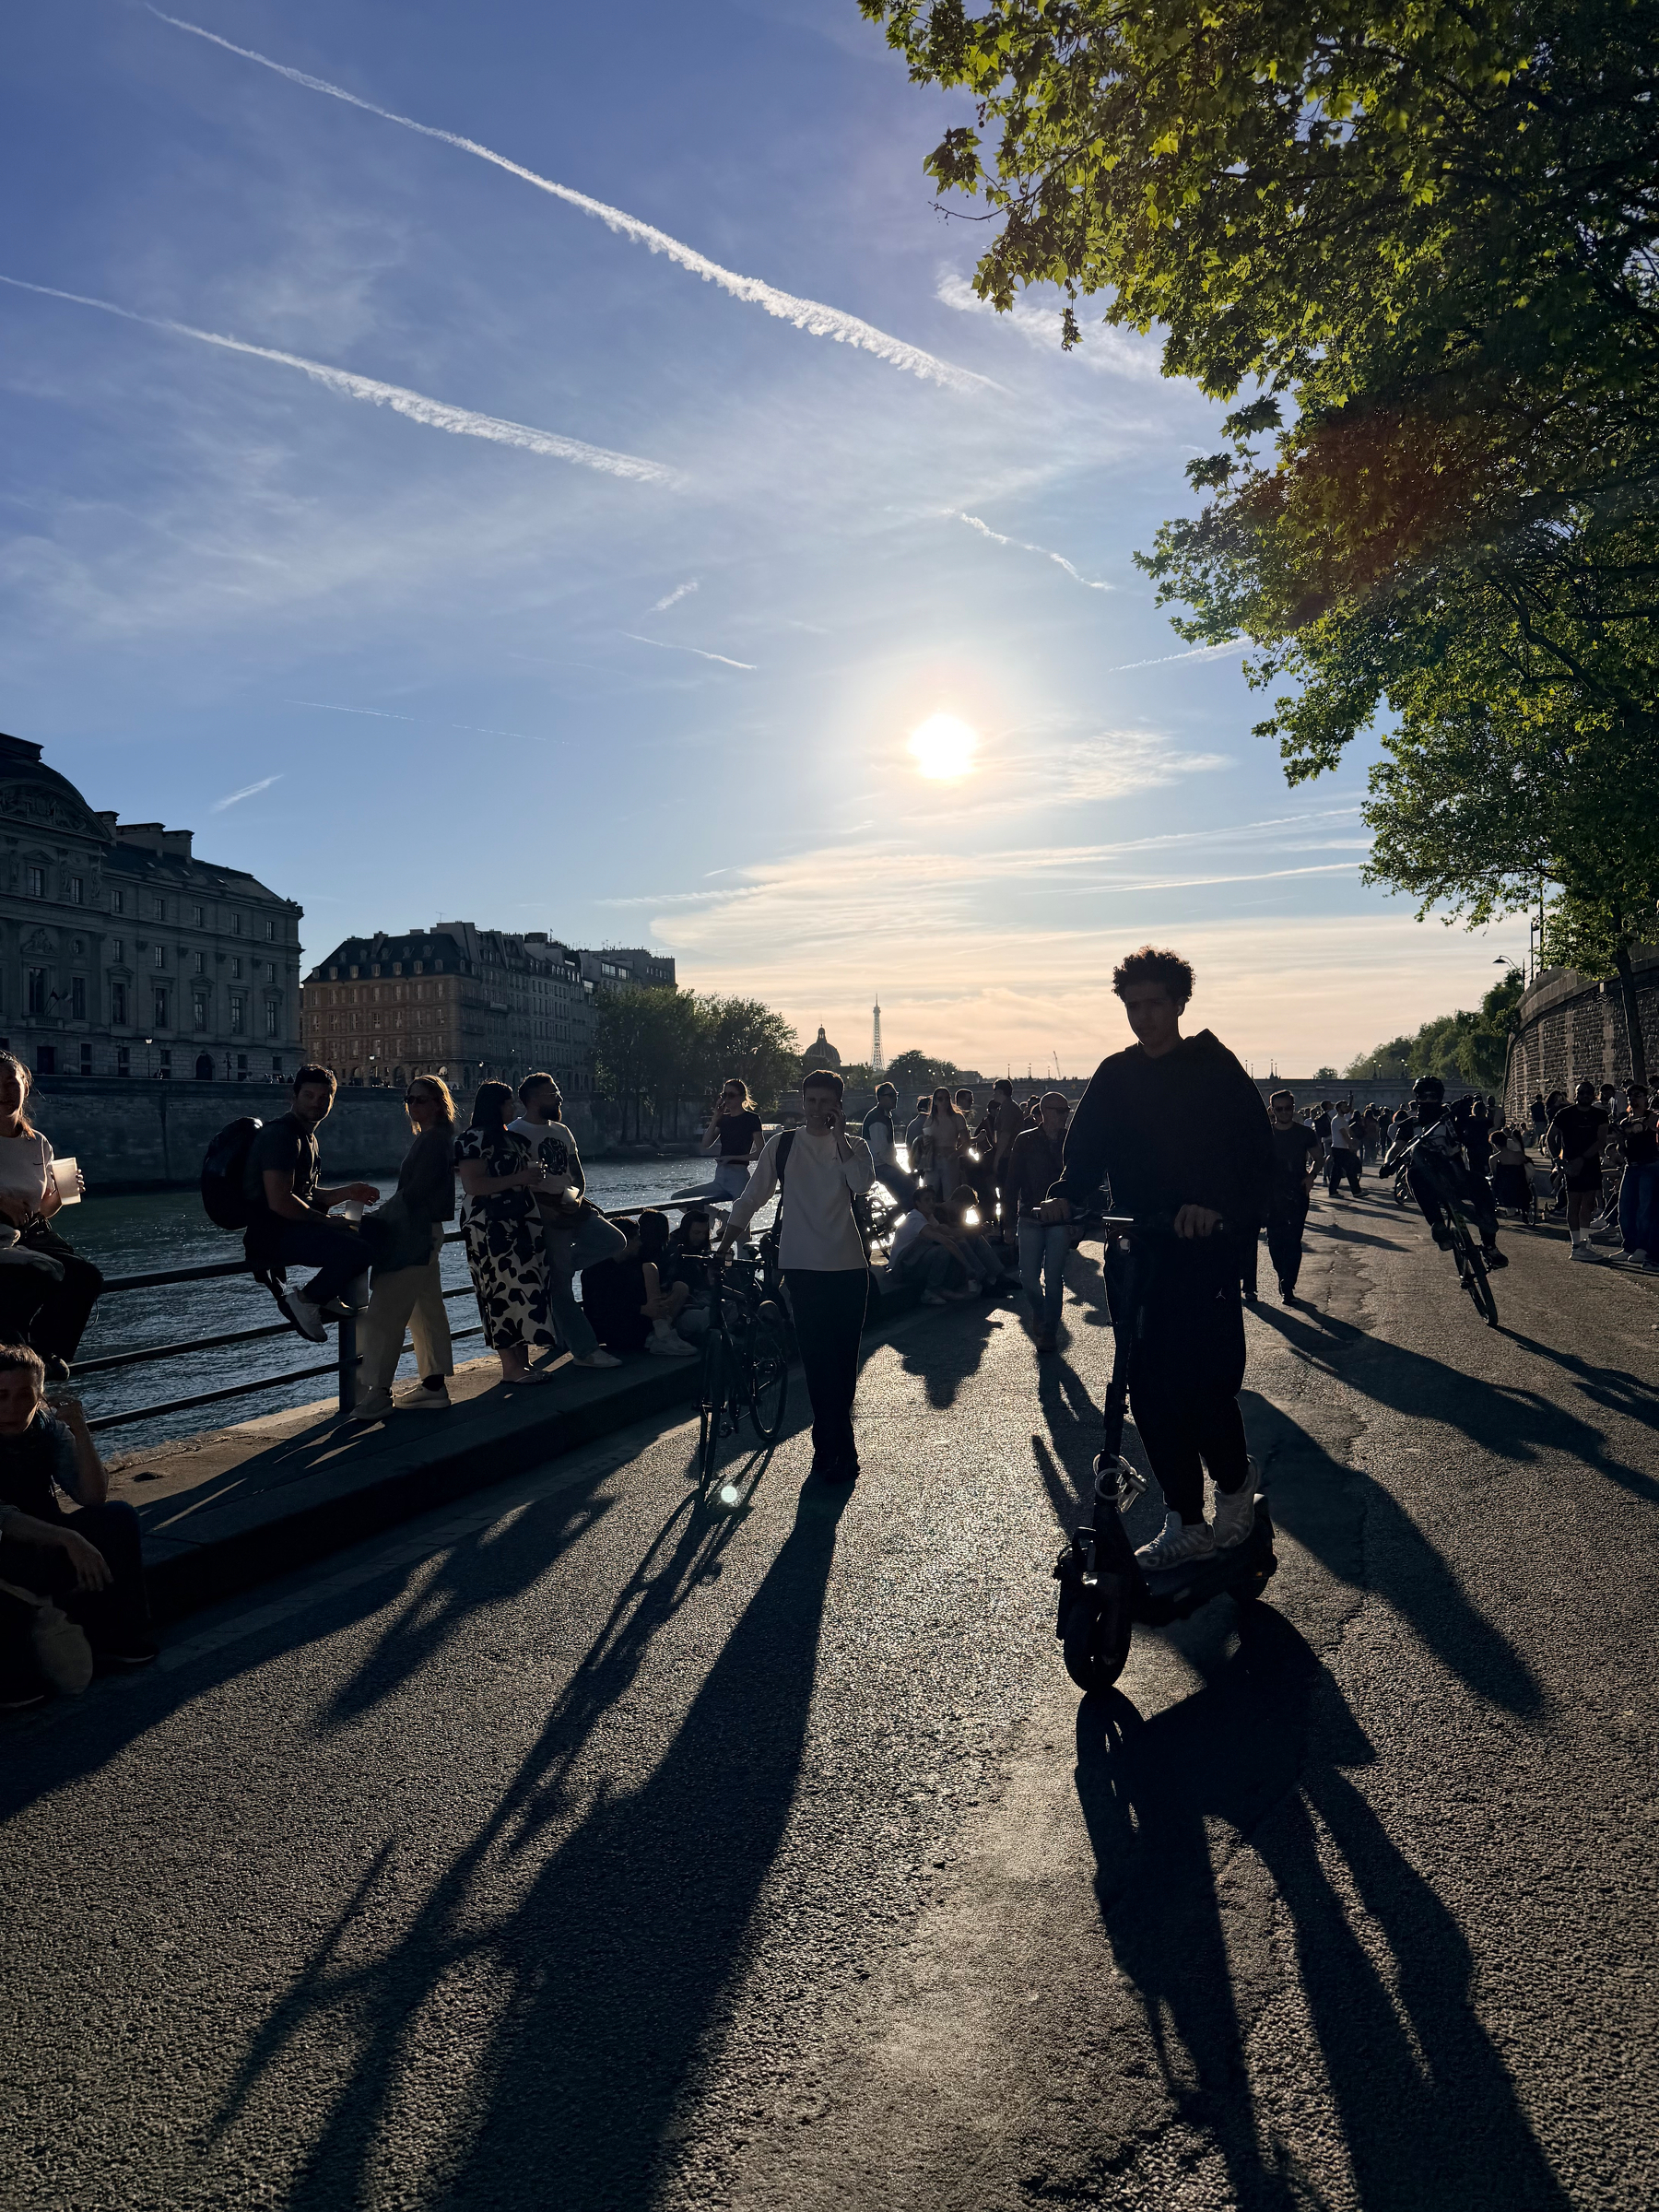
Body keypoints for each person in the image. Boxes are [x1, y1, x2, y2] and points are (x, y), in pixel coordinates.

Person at [1038, 946, 1272, 1570]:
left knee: (1203, 1389)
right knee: (1144, 1391)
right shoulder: (1115, 1076)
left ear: (1178, 1004)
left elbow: (1257, 1162)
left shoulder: (1215, 1070)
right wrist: (1064, 1197)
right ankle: (1186, 1520)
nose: (1142, 1017)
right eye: (1131, 1006)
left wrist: (1215, 1206)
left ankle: (1234, 1482)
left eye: (1153, 1005)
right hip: (1138, 1250)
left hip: (1203, 1252)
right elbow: (1083, 1160)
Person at [718, 1068, 875, 1482]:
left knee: (844, 1364)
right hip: (803, 1267)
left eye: (826, 1103)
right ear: (802, 1102)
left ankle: (836, 1448)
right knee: (819, 1363)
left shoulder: (855, 1145)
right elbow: (752, 1197)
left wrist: (840, 1139)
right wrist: (723, 1244)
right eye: (811, 1101)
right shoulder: (782, 1145)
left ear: (839, 1106)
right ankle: (831, 1451)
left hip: (848, 1268)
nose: (817, 1110)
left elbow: (861, 1184)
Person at [0, 1347, 155, 1705]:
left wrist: (80, 1431)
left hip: (44, 1544)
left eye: (25, 1395)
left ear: (40, 1397)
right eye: (1, 1395)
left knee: (117, 1518)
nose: (11, 1408)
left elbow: (91, 1496)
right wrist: (68, 1538)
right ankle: (13, 1675)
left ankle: (119, 1638)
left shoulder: (46, 1429)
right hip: (8, 1550)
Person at [244, 1065, 381, 1345]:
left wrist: (348, 1192)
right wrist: (331, 1222)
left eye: (323, 1097)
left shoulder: (306, 1137)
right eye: (309, 1095)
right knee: (359, 1251)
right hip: (273, 1234)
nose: (316, 1103)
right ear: (292, 1096)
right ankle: (305, 1299)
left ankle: (326, 1294)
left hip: (292, 1227)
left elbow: (306, 1193)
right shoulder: (281, 1137)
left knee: (376, 1230)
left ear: (332, 1100)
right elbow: (281, 1201)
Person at [350, 1076, 460, 1422]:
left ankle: (378, 1392)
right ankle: (433, 1384)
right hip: (427, 1231)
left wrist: (374, 1219)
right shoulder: (438, 1139)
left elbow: (413, 1194)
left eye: (421, 1100)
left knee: (383, 1313)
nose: (413, 1106)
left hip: (412, 1233)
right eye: (409, 1099)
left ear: (440, 1104)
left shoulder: (431, 1142)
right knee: (426, 1310)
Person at [509, 1074, 628, 1370]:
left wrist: (568, 1204)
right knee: (561, 1290)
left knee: (615, 1241)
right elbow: (515, 1185)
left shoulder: (562, 1131)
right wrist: (548, 1210)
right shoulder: (515, 1133)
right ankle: (586, 1350)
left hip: (570, 1207)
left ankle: (558, 1269)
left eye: (557, 1092)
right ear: (533, 1100)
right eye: (552, 1094)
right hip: (542, 1216)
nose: (559, 1098)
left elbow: (576, 1177)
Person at [0, 1052, 102, 1382]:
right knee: (28, 1283)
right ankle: (20, 1360)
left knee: (86, 1276)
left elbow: (43, 1209)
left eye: (10, 1083)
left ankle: (43, 1354)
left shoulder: (38, 1144)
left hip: (31, 1232)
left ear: (25, 1087)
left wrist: (63, 1194)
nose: (4, 1091)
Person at [454, 1080, 558, 1382]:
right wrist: (520, 1177)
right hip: (491, 1227)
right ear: (495, 1105)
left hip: (521, 1221)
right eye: (508, 1102)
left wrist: (528, 1178)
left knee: (525, 1291)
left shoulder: (512, 1139)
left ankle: (522, 1363)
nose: (513, 1107)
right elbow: (474, 1185)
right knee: (500, 1292)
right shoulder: (472, 1139)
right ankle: (511, 1367)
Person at [1397, 1077, 1510, 1267]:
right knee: (1413, 1174)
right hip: (1427, 1183)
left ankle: (1490, 1245)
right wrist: (1388, 1161)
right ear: (1417, 1098)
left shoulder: (1451, 1119)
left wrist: (1465, 1114)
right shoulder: (1410, 1125)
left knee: (1482, 1185)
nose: (1427, 1100)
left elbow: (1472, 1132)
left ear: (1439, 1097)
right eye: (1423, 1096)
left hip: (1455, 1177)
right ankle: (1438, 1225)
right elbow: (1396, 1146)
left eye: (1432, 1096)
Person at [1006, 1090, 1071, 1351]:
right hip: (1030, 1217)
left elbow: (1082, 1182)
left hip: (1060, 1220)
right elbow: (1012, 1183)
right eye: (1060, 1111)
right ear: (1044, 1113)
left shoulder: (1071, 1141)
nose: (1065, 1116)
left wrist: (1078, 1217)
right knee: (1028, 1279)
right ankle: (1041, 1311)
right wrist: (1008, 1222)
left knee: (1054, 1278)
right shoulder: (1025, 1140)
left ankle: (1049, 1330)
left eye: (1067, 1111)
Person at [1264, 1089, 1323, 1303]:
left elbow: (1318, 1157)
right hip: (1272, 1193)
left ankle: (1289, 1284)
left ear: (1294, 1108)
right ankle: (1282, 1274)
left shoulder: (1304, 1133)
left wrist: (1311, 1176)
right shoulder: (1265, 1134)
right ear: (1272, 1110)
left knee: (1293, 1239)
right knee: (1274, 1240)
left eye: (1288, 1108)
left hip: (1298, 1190)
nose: (1284, 1112)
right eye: (1279, 1109)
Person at [673, 1077, 764, 1206]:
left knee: (740, 1218)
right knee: (678, 1197)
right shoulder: (723, 1120)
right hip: (720, 1178)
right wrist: (716, 1117)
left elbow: (760, 1153)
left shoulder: (752, 1119)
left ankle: (724, 1219)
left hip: (738, 1177)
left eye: (731, 1095)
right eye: (724, 1095)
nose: (727, 1099)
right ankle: (719, 1215)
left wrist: (731, 1158)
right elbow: (706, 1144)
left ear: (743, 1097)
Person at [1547, 1080, 1610, 1259]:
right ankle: (1576, 1245)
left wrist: (1582, 1159)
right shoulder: (1564, 1114)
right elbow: (1551, 1137)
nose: (1584, 1096)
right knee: (1573, 1203)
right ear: (1575, 1095)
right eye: (1581, 1092)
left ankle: (1584, 1241)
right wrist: (1558, 1161)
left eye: (1588, 1093)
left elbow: (1601, 1140)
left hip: (1589, 1163)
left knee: (1588, 1205)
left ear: (1593, 1095)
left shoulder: (1600, 1115)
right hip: (1570, 1164)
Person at [883, 1189, 974, 1304]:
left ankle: (951, 1285)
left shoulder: (928, 1216)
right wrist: (967, 1266)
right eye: (927, 1200)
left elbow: (946, 1233)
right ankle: (931, 1290)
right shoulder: (915, 1219)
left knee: (957, 1244)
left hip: (913, 1260)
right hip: (902, 1268)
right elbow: (944, 1241)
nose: (931, 1203)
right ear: (918, 1203)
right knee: (943, 1250)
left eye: (933, 1199)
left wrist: (973, 1230)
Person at [1611, 1082, 1657, 1268]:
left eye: (1637, 1095)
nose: (1633, 1099)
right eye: (1631, 1096)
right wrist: (1620, 1144)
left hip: (1649, 1166)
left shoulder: (1652, 1118)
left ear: (1645, 1098)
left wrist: (1637, 1128)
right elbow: (1621, 1148)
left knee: (1644, 1210)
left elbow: (1651, 1129)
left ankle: (1642, 1248)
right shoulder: (1625, 1121)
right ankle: (1628, 1245)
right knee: (1625, 1208)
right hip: (1631, 1166)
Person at [862, 1082, 921, 1208]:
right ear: (881, 1098)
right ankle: (911, 1217)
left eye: (896, 1095)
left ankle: (901, 1214)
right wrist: (901, 1171)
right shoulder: (877, 1120)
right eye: (891, 1095)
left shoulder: (884, 1115)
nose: (895, 1098)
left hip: (882, 1164)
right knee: (911, 1189)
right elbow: (883, 1153)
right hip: (878, 1166)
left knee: (906, 1191)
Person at [918, 1086, 969, 1197]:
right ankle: (930, 1214)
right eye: (940, 1099)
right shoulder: (930, 1119)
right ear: (935, 1101)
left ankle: (950, 1214)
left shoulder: (957, 1118)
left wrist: (954, 1155)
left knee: (950, 1195)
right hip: (932, 1160)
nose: (944, 1101)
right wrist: (925, 1141)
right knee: (929, 1193)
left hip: (950, 1159)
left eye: (947, 1098)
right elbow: (925, 1142)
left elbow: (966, 1143)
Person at [1324, 1101, 1361, 1196]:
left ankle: (1334, 1191)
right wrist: (1351, 1145)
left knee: (1339, 1171)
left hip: (1340, 1148)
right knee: (1347, 1170)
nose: (1346, 1108)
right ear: (1339, 1108)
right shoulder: (1338, 1120)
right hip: (1340, 1148)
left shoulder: (1342, 1120)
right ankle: (1355, 1191)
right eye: (1344, 1107)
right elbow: (1344, 1134)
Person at [903, 1096, 930, 1171]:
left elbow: (908, 1144)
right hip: (927, 1163)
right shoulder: (930, 1122)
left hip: (914, 1161)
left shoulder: (912, 1124)